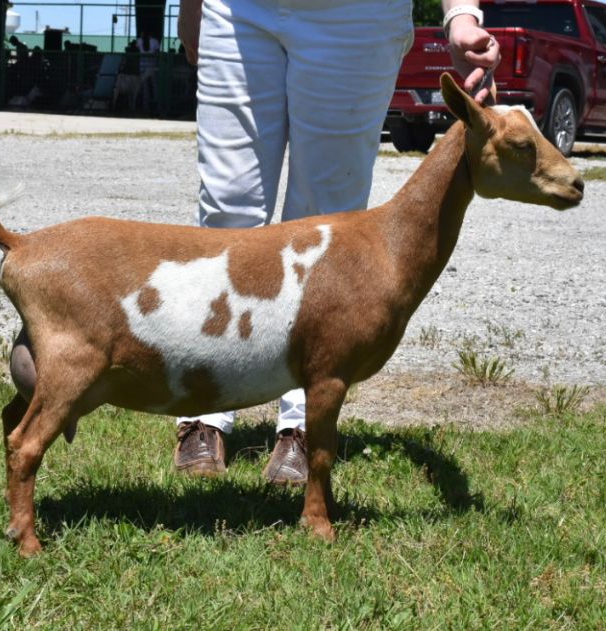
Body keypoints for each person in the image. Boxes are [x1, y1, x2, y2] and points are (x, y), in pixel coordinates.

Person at [173, 0, 500, 483]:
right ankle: (206, 410)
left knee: (325, 222)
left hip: (357, 18)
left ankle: (304, 423)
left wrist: (461, 17)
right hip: (238, 10)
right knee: (228, 207)